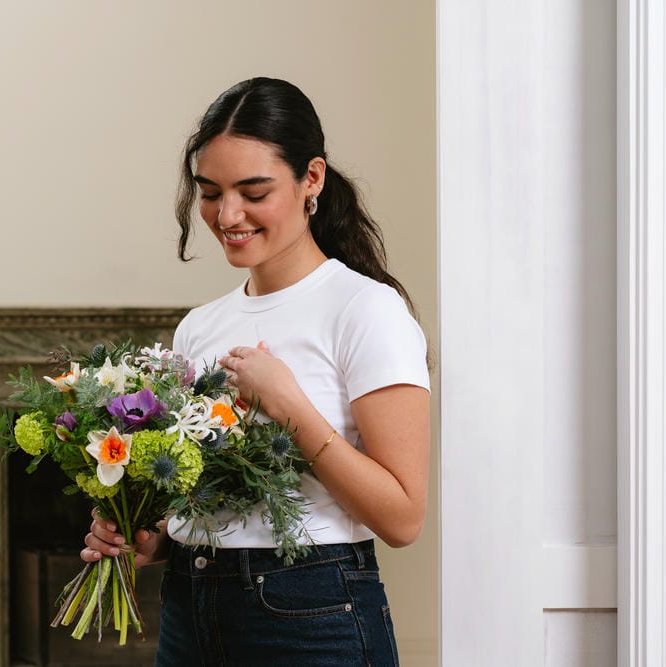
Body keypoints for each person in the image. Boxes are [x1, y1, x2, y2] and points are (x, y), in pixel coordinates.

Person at [81, 77, 430, 666]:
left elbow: (402, 518)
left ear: (311, 178)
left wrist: (288, 407)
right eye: (210, 192)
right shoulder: (199, 327)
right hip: (190, 608)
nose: (227, 214)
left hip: (311, 614)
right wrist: (148, 535)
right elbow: (205, 501)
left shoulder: (365, 310)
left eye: (253, 191)